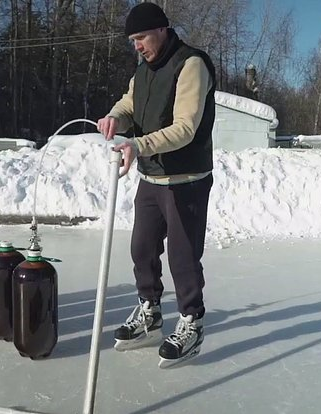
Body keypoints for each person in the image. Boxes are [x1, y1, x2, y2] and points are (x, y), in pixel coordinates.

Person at [97, 2, 215, 367]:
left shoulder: (191, 64)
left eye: (142, 37)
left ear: (162, 30)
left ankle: (192, 322)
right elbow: (130, 102)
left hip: (186, 179)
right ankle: (150, 314)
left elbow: (185, 127)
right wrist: (116, 117)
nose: (137, 45)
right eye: (133, 39)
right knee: (142, 249)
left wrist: (138, 144)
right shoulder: (144, 69)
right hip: (151, 176)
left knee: (183, 257)